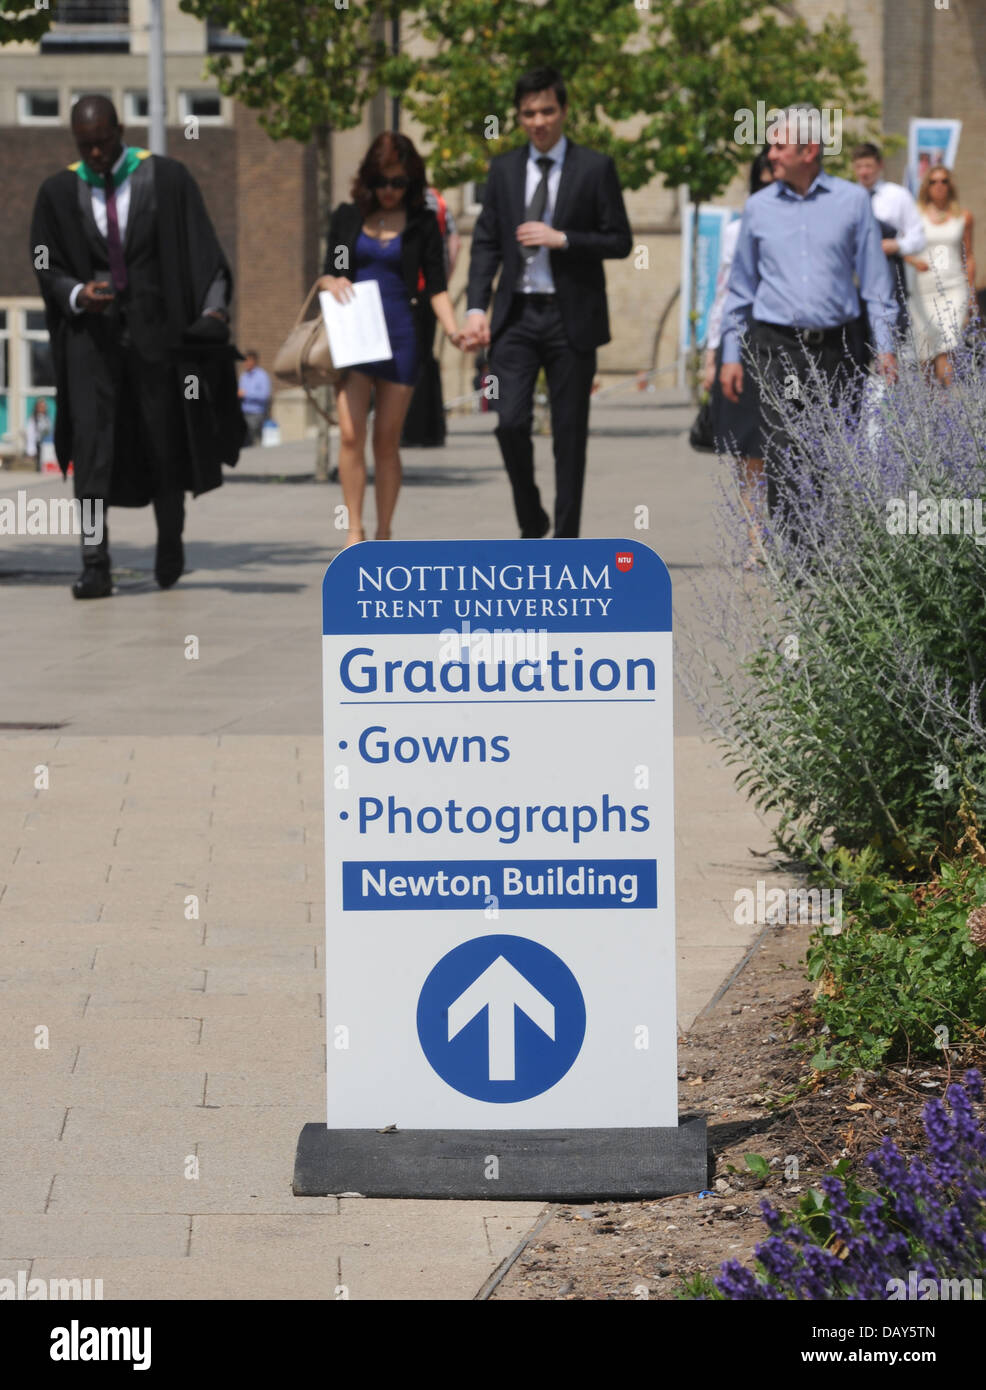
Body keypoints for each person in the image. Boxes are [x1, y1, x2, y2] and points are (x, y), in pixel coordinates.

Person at [30, 95, 244, 599]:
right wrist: (78, 293)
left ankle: (170, 543)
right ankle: (95, 563)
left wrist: (213, 309)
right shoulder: (58, 192)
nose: (96, 154)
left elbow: (205, 251)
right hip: (90, 342)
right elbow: (43, 258)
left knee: (162, 442)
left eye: (103, 143)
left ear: (120, 129)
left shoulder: (167, 180)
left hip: (157, 337)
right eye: (86, 146)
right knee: (91, 449)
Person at [464, 67, 633, 538]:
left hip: (570, 317)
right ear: (518, 117)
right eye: (528, 113)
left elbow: (620, 240)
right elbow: (486, 243)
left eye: (547, 111)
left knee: (569, 434)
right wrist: (476, 307)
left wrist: (562, 238)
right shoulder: (501, 170)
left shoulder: (595, 168)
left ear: (563, 111)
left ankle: (566, 540)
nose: (538, 121)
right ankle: (531, 517)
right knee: (508, 422)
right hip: (515, 316)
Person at [720, 106, 897, 525]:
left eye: (780, 146)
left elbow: (876, 283)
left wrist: (886, 347)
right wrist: (729, 353)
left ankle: (824, 555)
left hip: (837, 349)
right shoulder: (758, 208)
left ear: (809, 150)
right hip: (778, 349)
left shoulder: (852, 202)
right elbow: (740, 288)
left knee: (830, 450)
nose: (771, 155)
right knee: (783, 448)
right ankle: (795, 558)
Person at [316, 133, 466, 547]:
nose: (389, 191)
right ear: (369, 180)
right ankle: (354, 531)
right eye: (382, 182)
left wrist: (453, 331)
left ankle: (384, 532)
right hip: (355, 336)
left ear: (411, 182)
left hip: (402, 336)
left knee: (385, 439)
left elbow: (436, 286)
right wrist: (330, 282)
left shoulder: (421, 225)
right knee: (349, 434)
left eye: (398, 183)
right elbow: (331, 268)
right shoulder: (347, 217)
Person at [702, 151, 774, 566]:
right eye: (761, 183)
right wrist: (714, 352)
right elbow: (725, 295)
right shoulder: (736, 231)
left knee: (790, 446)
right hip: (746, 346)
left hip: (795, 346)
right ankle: (755, 538)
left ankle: (795, 533)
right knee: (750, 448)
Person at [400, 185, 461, 448]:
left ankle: (410, 429)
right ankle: (432, 429)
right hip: (432, 290)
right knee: (427, 357)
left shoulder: (409, 203)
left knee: (410, 360)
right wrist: (445, 278)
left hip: (412, 289)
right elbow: (454, 243)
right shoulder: (440, 202)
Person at [907, 165, 976, 385]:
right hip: (923, 289)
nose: (939, 186)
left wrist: (972, 292)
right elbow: (903, 248)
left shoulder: (963, 216)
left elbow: (969, 256)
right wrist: (914, 262)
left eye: (944, 181)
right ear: (927, 186)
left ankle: (947, 402)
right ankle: (930, 407)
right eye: (934, 181)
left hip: (953, 288)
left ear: (950, 185)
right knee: (925, 350)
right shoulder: (915, 215)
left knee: (947, 343)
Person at [851, 142, 925, 338]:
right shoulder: (847, 197)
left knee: (891, 332)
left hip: (888, 271)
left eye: (868, 166)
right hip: (854, 273)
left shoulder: (898, 195)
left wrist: (897, 245)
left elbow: (918, 237)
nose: (864, 172)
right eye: (859, 167)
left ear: (879, 165)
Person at [238, 350, 272, 446]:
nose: (246, 363)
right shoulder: (244, 376)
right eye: (245, 361)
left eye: (248, 360)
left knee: (253, 438)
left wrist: (246, 394)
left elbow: (264, 395)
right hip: (244, 411)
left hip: (256, 413)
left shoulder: (262, 376)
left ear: (254, 361)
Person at [25, 398, 54, 466]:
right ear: (37, 407)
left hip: (46, 445)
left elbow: (50, 431)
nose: (43, 408)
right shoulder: (33, 419)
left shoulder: (47, 418)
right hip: (37, 446)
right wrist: (31, 451)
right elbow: (30, 436)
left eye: (44, 407)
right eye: (41, 406)